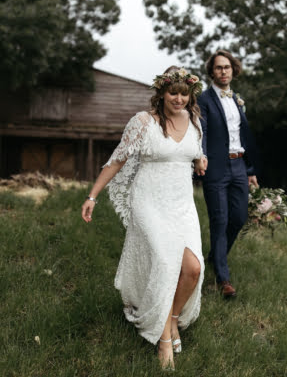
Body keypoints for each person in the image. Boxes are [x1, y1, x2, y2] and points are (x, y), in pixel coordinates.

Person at [81, 66, 208, 371]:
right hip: (149, 202)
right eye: (173, 92)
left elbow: (194, 153)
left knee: (193, 269)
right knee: (164, 264)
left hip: (182, 205)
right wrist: (92, 196)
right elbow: (117, 160)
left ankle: (172, 318)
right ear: (161, 93)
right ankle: (163, 339)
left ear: (190, 95)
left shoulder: (194, 122)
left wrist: (200, 160)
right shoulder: (143, 122)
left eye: (183, 94)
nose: (178, 99)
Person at [197, 50, 259, 299]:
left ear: (233, 70)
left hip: (239, 166)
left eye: (227, 67)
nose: (223, 71)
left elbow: (244, 135)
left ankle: (215, 256)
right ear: (212, 72)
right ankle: (223, 278)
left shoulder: (237, 99)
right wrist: (201, 156)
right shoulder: (204, 99)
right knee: (220, 220)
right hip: (216, 168)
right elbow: (202, 130)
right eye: (218, 67)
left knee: (239, 217)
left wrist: (250, 170)